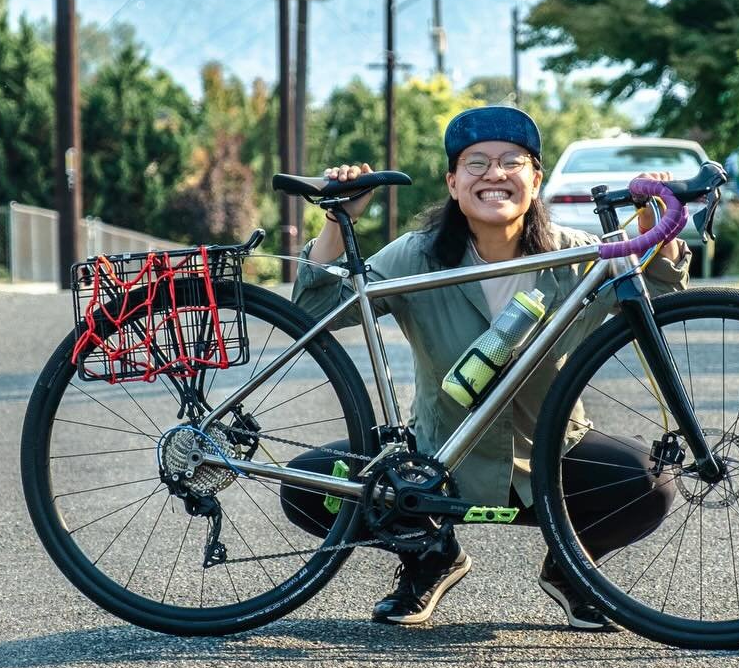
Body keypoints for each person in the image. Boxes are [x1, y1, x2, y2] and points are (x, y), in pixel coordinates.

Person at [283, 105, 693, 632]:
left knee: (650, 482)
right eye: (476, 164)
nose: (495, 175)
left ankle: (573, 570)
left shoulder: (577, 256)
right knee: (309, 483)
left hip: (552, 455)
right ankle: (428, 555)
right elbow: (315, 314)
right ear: (453, 183)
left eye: (512, 162)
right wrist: (339, 219)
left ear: (535, 178)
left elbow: (657, 294)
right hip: (440, 462)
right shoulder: (416, 256)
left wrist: (649, 219)